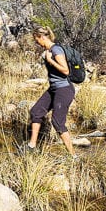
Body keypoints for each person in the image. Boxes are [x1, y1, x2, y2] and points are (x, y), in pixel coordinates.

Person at [24, 26, 76, 156]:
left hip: (64, 90)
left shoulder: (56, 50)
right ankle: (32, 146)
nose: (37, 43)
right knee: (36, 112)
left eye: (37, 40)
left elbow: (65, 71)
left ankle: (73, 156)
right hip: (54, 89)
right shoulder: (49, 50)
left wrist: (50, 60)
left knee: (57, 122)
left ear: (42, 37)